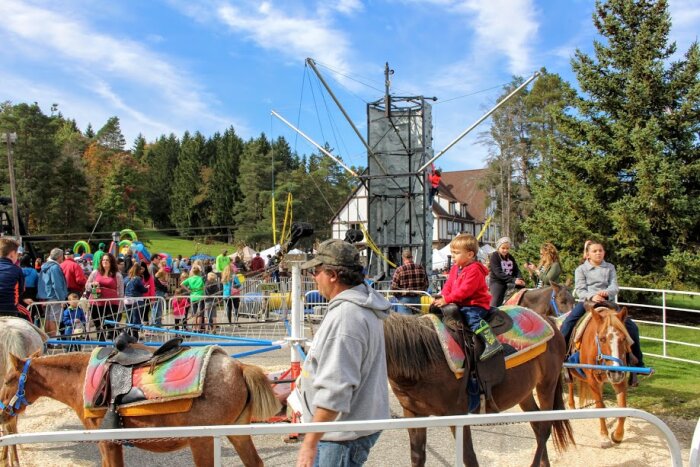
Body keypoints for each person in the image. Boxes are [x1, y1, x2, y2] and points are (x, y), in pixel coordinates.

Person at [296, 239, 391, 467]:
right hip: (342, 429)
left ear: (332, 275)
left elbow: (335, 391)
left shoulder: (346, 317)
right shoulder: (358, 305)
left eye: (316, 271)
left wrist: (309, 443)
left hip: (339, 434)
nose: (313, 277)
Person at [559, 240, 647, 386]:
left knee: (632, 328)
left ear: (604, 252)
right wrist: (593, 296)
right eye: (594, 251)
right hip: (587, 302)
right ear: (587, 255)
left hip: (607, 302)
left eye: (600, 250)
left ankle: (637, 364)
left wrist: (607, 292)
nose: (598, 253)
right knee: (568, 324)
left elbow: (614, 286)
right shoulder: (581, 269)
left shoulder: (610, 267)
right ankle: (562, 358)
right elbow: (580, 289)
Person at [433, 234, 503, 361]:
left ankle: (491, 342)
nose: (452, 256)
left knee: (471, 318)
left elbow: (465, 291)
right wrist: (442, 296)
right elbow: (449, 285)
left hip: (475, 304)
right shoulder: (455, 268)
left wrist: (448, 299)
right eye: (452, 252)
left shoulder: (474, 270)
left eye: (456, 253)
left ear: (470, 255)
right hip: (460, 303)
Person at [85, 253, 124, 342]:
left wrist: (120, 308)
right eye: (103, 260)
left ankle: (115, 346)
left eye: (107, 260)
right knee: (98, 326)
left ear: (111, 262)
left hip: (111, 305)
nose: (105, 262)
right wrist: (92, 285)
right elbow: (87, 285)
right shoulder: (95, 272)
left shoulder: (117, 275)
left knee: (110, 326)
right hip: (96, 303)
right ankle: (101, 346)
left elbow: (121, 292)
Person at [37, 248, 69, 337]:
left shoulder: (45, 266)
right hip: (55, 296)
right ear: (59, 256)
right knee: (54, 319)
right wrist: (62, 299)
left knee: (48, 318)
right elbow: (57, 285)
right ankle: (53, 340)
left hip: (46, 296)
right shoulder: (55, 267)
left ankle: (48, 339)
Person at [488, 236, 526, 307]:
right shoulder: (494, 256)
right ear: (498, 247)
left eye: (507, 248)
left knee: (523, 291)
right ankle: (492, 314)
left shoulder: (510, 257)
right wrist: (513, 280)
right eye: (503, 248)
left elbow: (516, 270)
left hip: (510, 281)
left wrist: (520, 279)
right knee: (496, 302)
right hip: (498, 282)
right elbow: (498, 273)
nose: (505, 250)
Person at [390, 248, 428, 315]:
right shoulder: (421, 268)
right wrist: (420, 293)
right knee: (418, 322)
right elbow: (426, 284)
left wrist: (398, 295)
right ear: (412, 257)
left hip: (404, 300)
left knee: (406, 324)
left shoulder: (399, 270)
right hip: (417, 299)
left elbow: (393, 288)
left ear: (403, 258)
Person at [0, 238, 27, 318]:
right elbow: (21, 290)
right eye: (17, 254)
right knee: (28, 316)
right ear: (12, 254)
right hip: (9, 309)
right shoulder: (17, 269)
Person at [124, 263, 149, 340]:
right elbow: (142, 289)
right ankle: (135, 336)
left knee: (129, 318)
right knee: (136, 318)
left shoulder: (127, 278)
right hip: (136, 300)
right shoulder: (137, 279)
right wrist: (146, 288)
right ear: (138, 270)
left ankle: (127, 335)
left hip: (127, 299)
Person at [181, 266, 205, 331]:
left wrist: (188, 290)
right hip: (200, 297)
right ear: (199, 272)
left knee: (194, 314)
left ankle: (194, 328)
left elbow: (182, 284)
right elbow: (204, 286)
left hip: (193, 297)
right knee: (200, 314)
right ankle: (198, 328)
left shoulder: (190, 279)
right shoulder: (201, 278)